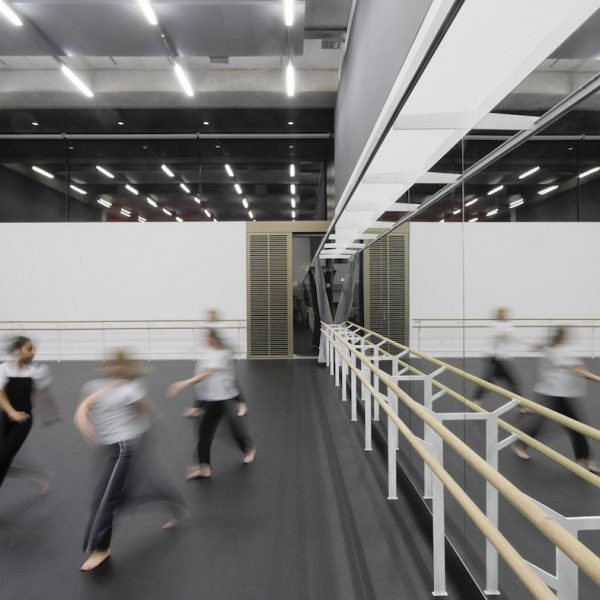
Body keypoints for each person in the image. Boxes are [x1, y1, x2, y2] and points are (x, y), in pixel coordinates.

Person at [75, 350, 187, 572]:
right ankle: (172, 502)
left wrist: (143, 432)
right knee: (121, 498)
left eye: (116, 365)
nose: (110, 368)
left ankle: (100, 548)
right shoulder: (94, 386)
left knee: (105, 499)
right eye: (108, 364)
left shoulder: (130, 390)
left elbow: (148, 412)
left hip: (124, 449)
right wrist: (84, 422)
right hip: (109, 449)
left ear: (124, 368)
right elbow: (83, 407)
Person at [168, 328, 255, 480]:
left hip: (222, 398)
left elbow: (206, 373)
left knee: (231, 428)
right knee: (204, 433)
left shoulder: (219, 354)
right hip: (211, 398)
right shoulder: (210, 352)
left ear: (212, 339)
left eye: (207, 337)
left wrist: (183, 384)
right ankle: (204, 467)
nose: (205, 340)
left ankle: (248, 449)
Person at [512, 327, 600, 473]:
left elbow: (537, 346)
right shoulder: (562, 352)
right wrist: (598, 379)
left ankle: (583, 459)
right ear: (563, 337)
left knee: (573, 426)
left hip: (557, 393)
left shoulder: (550, 347)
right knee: (574, 426)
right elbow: (582, 372)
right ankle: (520, 444)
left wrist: (532, 345)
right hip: (554, 394)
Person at [0, 336, 56, 493]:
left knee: (4, 457)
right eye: (29, 349)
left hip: (23, 421)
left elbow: (45, 393)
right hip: (6, 418)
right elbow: (1, 395)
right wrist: (11, 412)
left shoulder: (37, 371)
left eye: (33, 350)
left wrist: (49, 413)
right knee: (4, 459)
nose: (33, 353)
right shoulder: (3, 368)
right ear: (17, 350)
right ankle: (39, 478)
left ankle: (38, 478)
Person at [472, 307, 525, 407]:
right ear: (498, 315)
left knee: (491, 381)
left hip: (501, 358)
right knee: (511, 381)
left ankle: (476, 399)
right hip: (495, 358)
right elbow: (507, 335)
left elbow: (508, 336)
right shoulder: (495, 325)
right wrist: (526, 343)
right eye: (502, 314)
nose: (504, 316)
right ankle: (522, 405)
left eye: (505, 314)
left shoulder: (507, 325)